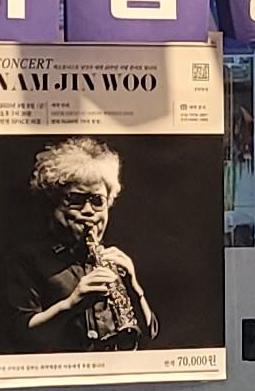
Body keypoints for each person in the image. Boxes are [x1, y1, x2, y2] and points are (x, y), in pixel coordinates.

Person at [13, 135, 156, 351]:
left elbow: (149, 334)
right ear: (53, 204)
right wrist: (71, 304)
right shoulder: (27, 260)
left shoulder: (112, 260)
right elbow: (21, 335)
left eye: (98, 201)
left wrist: (134, 289)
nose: (89, 211)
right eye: (76, 200)